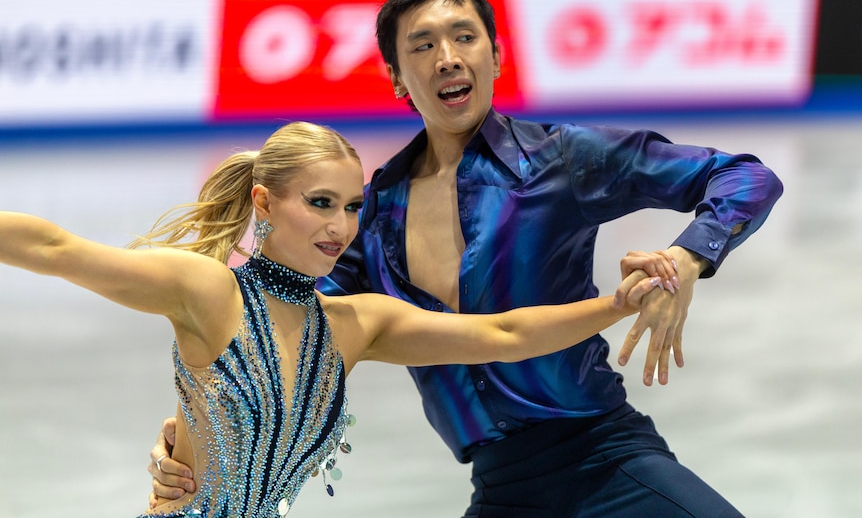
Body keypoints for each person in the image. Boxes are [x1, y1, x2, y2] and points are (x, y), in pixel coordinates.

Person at [150, 0, 784, 517]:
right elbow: (286, 331)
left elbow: (745, 176)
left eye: (464, 37)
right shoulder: (374, 213)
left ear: (496, 57)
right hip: (499, 488)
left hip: (607, 463)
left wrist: (686, 258)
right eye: (423, 45)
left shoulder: (562, 158)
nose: (447, 57)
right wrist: (190, 431)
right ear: (398, 78)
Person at [0, 121, 671, 517]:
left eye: (351, 207)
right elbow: (55, 248)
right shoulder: (207, 291)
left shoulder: (354, 324)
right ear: (264, 202)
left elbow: (505, 334)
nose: (340, 226)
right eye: (320, 203)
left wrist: (616, 304)